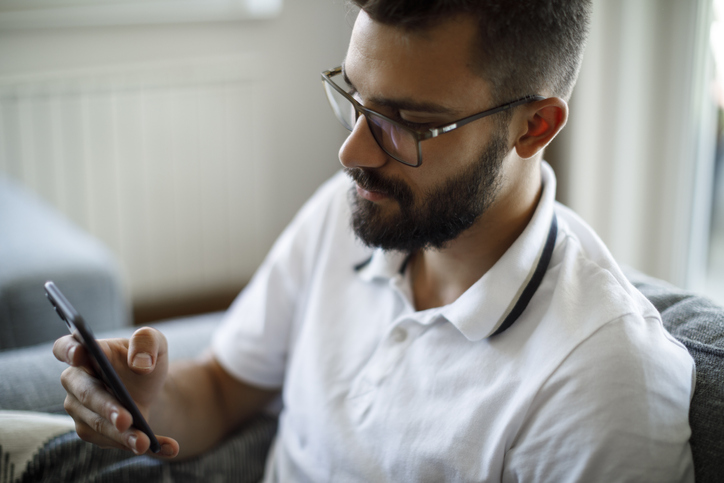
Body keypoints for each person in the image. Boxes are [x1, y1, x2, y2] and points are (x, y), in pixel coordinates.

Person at [53, 1, 696, 481]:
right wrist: (148, 399)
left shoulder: (605, 381)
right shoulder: (351, 213)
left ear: (534, 127)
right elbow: (223, 389)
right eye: (355, 98)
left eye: (408, 122)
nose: (350, 151)